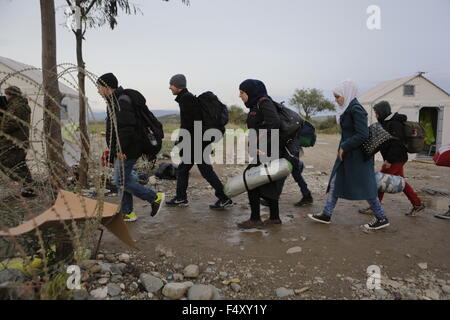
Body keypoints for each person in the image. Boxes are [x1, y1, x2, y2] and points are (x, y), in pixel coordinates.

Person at [308, 80, 389, 230]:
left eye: (338, 96)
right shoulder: (349, 108)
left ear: (347, 94)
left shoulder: (356, 109)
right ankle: (326, 213)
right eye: (335, 96)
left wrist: (345, 146)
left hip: (357, 156)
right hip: (349, 155)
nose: (336, 99)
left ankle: (381, 217)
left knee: (366, 186)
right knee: (336, 182)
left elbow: (362, 134)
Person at [97, 73, 164, 222]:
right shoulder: (115, 101)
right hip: (124, 149)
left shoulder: (121, 102)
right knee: (123, 179)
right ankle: (128, 212)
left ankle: (154, 198)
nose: (98, 91)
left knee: (121, 181)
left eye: (99, 87)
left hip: (127, 150)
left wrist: (121, 150)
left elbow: (127, 128)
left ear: (106, 87)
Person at [165, 74, 233, 210]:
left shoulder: (186, 99)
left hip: (196, 143)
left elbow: (192, 124)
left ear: (178, 86)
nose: (169, 87)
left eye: (171, 85)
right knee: (184, 170)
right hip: (197, 142)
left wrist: (185, 142)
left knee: (204, 171)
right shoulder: (186, 98)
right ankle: (181, 198)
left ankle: (224, 198)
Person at [359, 101, 425, 217]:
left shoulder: (393, 124)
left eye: (377, 112)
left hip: (395, 159)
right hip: (398, 158)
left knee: (380, 182)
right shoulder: (387, 122)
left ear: (382, 111)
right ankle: (417, 204)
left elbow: (397, 145)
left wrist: (388, 160)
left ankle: (375, 207)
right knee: (402, 183)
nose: (375, 115)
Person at [237, 79, 285, 229]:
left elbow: (275, 123)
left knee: (251, 180)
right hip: (264, 151)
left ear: (251, 92)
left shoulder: (264, 102)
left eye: (242, 92)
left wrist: (259, 144)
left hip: (267, 151)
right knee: (268, 182)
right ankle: (274, 218)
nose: (240, 96)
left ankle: (256, 218)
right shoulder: (254, 105)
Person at [0, 86, 35, 197]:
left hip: (13, 142)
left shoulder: (16, 106)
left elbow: (9, 124)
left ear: (10, 94)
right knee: (20, 164)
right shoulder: (19, 105)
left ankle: (27, 184)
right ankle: (28, 188)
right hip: (18, 141)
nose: (5, 97)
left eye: (6, 94)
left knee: (6, 163)